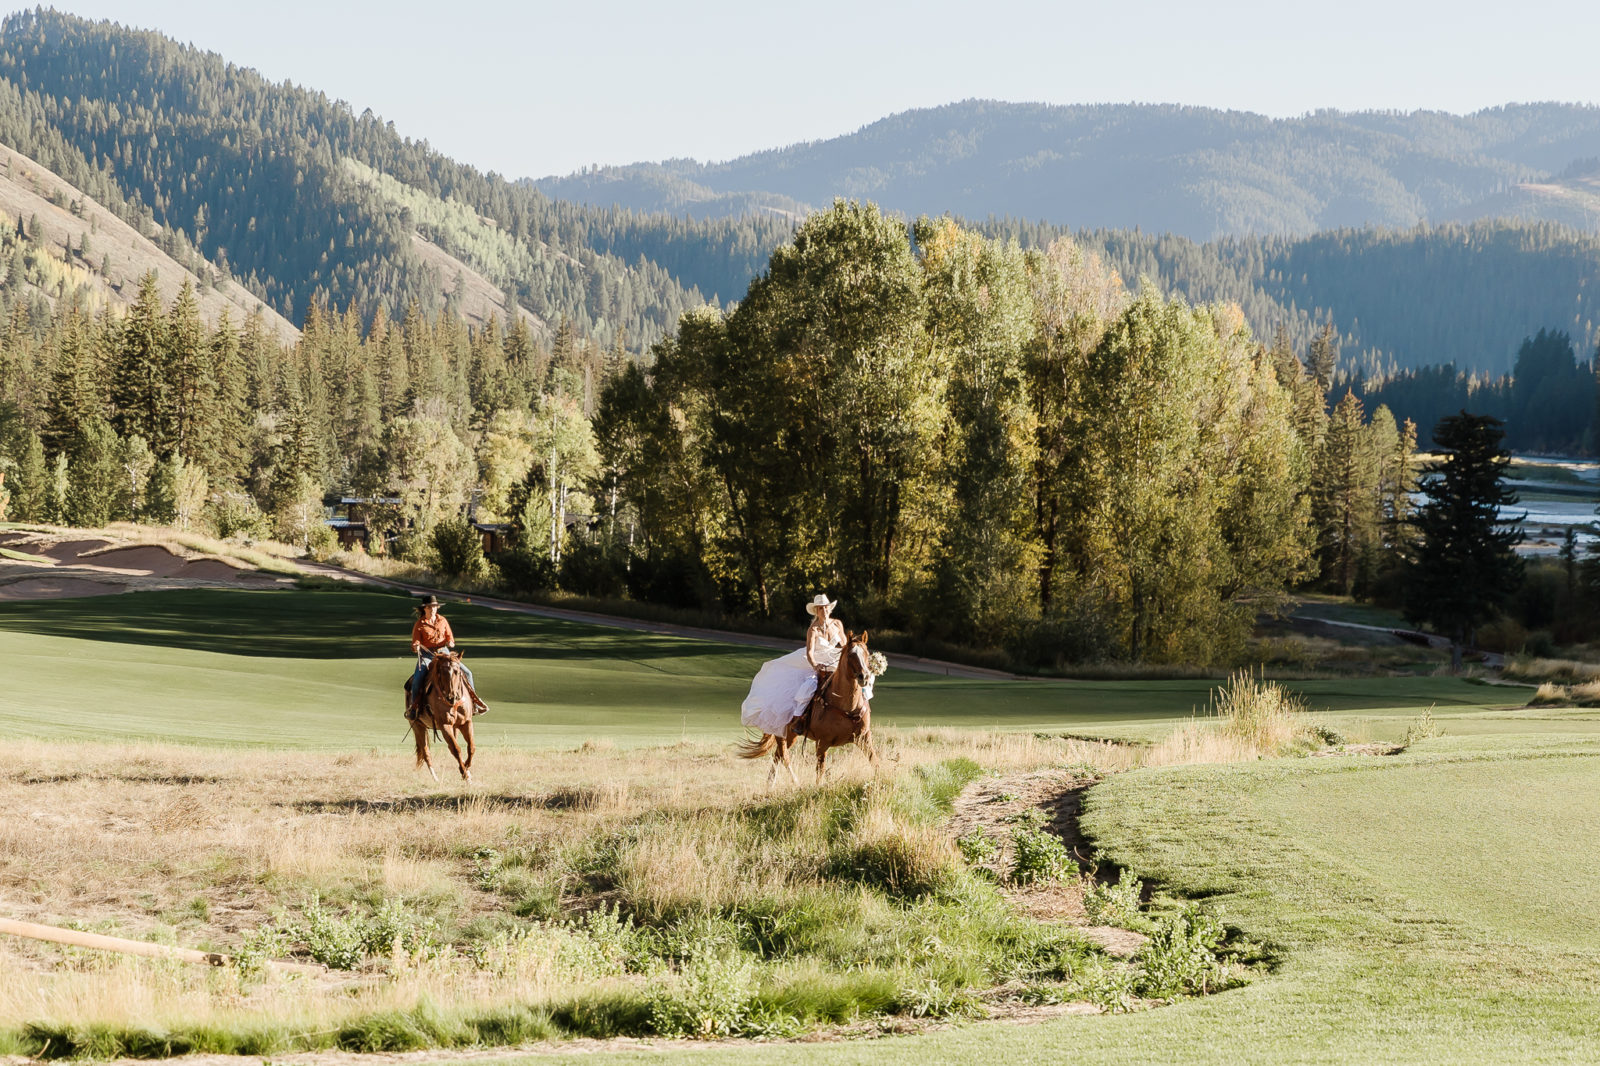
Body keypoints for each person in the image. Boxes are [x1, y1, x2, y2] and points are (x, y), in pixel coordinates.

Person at [740, 594, 845, 736]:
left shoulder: (837, 624)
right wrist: (815, 665)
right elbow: (810, 653)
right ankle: (798, 719)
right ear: (816, 611)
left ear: (829, 609)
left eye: (825, 608)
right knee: (809, 687)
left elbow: (845, 644)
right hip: (817, 660)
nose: (824, 611)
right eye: (820, 609)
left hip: (835, 657)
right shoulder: (813, 629)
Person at [406, 595, 490, 719]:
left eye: (435, 607)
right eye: (430, 607)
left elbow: (450, 637)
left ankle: (474, 703)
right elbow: (415, 642)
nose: (433, 609)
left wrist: (451, 642)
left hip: (444, 652)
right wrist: (416, 646)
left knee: (467, 672)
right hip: (427, 655)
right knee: (418, 676)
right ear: (424, 608)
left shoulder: (443, 620)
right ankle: (414, 707)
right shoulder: (419, 624)